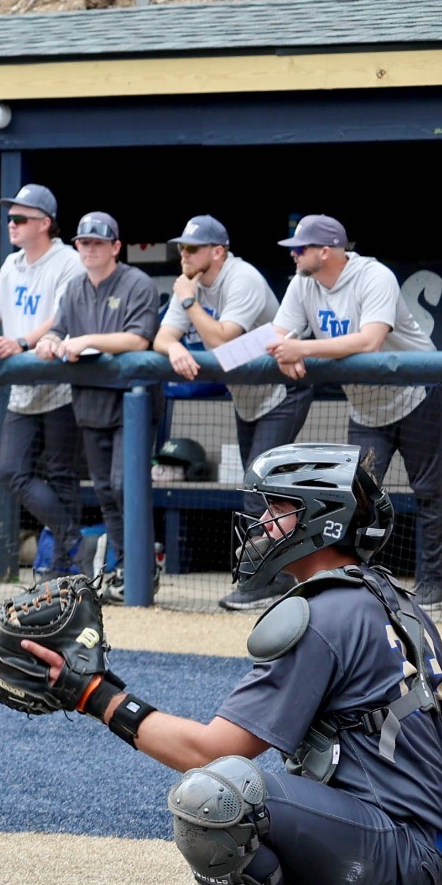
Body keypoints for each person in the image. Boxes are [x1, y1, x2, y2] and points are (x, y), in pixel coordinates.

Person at [0, 443, 442, 885]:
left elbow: (211, 753)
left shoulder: (324, 612)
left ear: (321, 518)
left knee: (217, 795)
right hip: (422, 851)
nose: (262, 524)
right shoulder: (394, 602)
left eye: (278, 510)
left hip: (389, 854)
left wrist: (96, 696)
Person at [269, 215, 442, 610]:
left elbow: (370, 341)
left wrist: (303, 349)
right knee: (355, 497)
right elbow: (278, 335)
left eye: (301, 249)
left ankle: (432, 583)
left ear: (326, 251)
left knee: (427, 490)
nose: (295, 255)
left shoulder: (374, 276)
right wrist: (283, 353)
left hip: (417, 394)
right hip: (366, 406)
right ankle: (355, 580)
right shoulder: (302, 283)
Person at [153, 215, 301, 612]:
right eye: (181, 248)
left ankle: (261, 583)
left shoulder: (241, 278)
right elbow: (162, 335)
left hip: (283, 391)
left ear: (217, 251)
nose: (183, 255)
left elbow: (222, 340)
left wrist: (188, 301)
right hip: (248, 397)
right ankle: (285, 575)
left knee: (259, 491)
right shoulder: (192, 283)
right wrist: (174, 348)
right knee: (267, 492)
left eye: (192, 249)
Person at [0, 184, 86, 579]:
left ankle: (63, 568)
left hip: (59, 380)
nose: (12, 224)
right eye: (10, 218)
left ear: (44, 223)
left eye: (20, 218)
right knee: (10, 471)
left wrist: (21, 340)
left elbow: (60, 320)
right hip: (22, 386)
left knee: (62, 477)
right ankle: (75, 540)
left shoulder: (68, 262)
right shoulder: (12, 264)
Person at [35, 211, 159, 603]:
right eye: (84, 243)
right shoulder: (73, 288)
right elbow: (59, 328)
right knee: (105, 491)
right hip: (89, 401)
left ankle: (143, 566)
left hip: (131, 404)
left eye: (97, 243)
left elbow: (139, 340)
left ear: (115, 247)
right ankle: (124, 566)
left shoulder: (137, 282)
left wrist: (84, 338)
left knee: (126, 487)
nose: (89, 249)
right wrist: (51, 341)